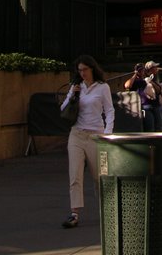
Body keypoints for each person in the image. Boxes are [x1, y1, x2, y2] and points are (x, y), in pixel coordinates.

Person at [59, 54, 115, 229]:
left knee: (99, 176)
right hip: (76, 134)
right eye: (80, 70)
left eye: (85, 69)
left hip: (95, 135)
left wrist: (107, 134)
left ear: (92, 69)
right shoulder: (76, 86)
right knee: (75, 175)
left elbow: (110, 110)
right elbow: (63, 109)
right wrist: (72, 95)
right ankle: (74, 213)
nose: (82, 73)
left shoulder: (102, 87)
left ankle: (107, 211)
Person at [124, 61, 161, 132]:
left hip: (156, 105)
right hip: (145, 107)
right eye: (139, 69)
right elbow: (127, 86)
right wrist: (135, 74)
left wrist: (150, 81)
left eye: (142, 69)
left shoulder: (148, 79)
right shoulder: (135, 81)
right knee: (150, 128)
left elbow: (159, 90)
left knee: (159, 127)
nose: (141, 71)